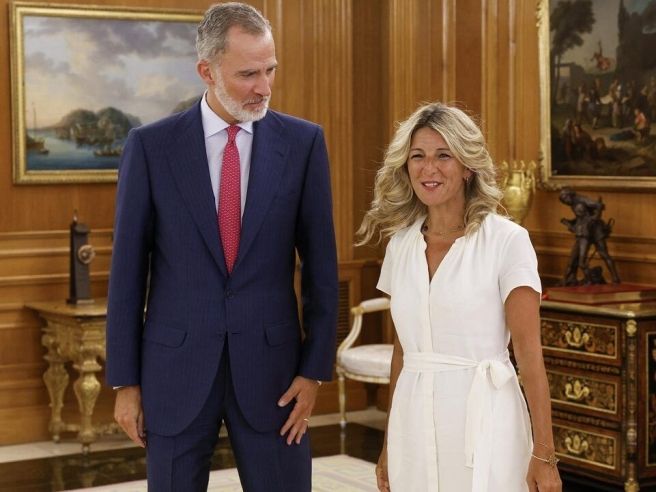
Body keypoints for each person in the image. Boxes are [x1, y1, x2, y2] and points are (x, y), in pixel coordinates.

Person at [105, 3, 338, 491]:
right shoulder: (151, 147)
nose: (264, 87)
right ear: (206, 71)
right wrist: (126, 383)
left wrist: (314, 371)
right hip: (175, 372)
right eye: (248, 74)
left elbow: (321, 269)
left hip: (275, 377)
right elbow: (127, 273)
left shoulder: (303, 144)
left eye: (270, 70)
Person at [357, 102, 561, 492]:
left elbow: (530, 357)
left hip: (487, 422)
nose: (428, 169)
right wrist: (388, 445)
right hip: (412, 424)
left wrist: (544, 454)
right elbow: (403, 352)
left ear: (468, 166)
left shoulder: (507, 242)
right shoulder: (401, 245)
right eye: (418, 156)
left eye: (443, 156)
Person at [559, 187, 620, 286]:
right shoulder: (573, 204)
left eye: (565, 198)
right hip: (585, 231)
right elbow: (581, 217)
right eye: (563, 200)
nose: (565, 202)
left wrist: (595, 218)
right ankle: (582, 279)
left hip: (596, 230)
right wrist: (570, 222)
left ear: (570, 195)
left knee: (604, 254)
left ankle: (615, 278)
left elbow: (599, 205)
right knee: (577, 257)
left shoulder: (582, 199)